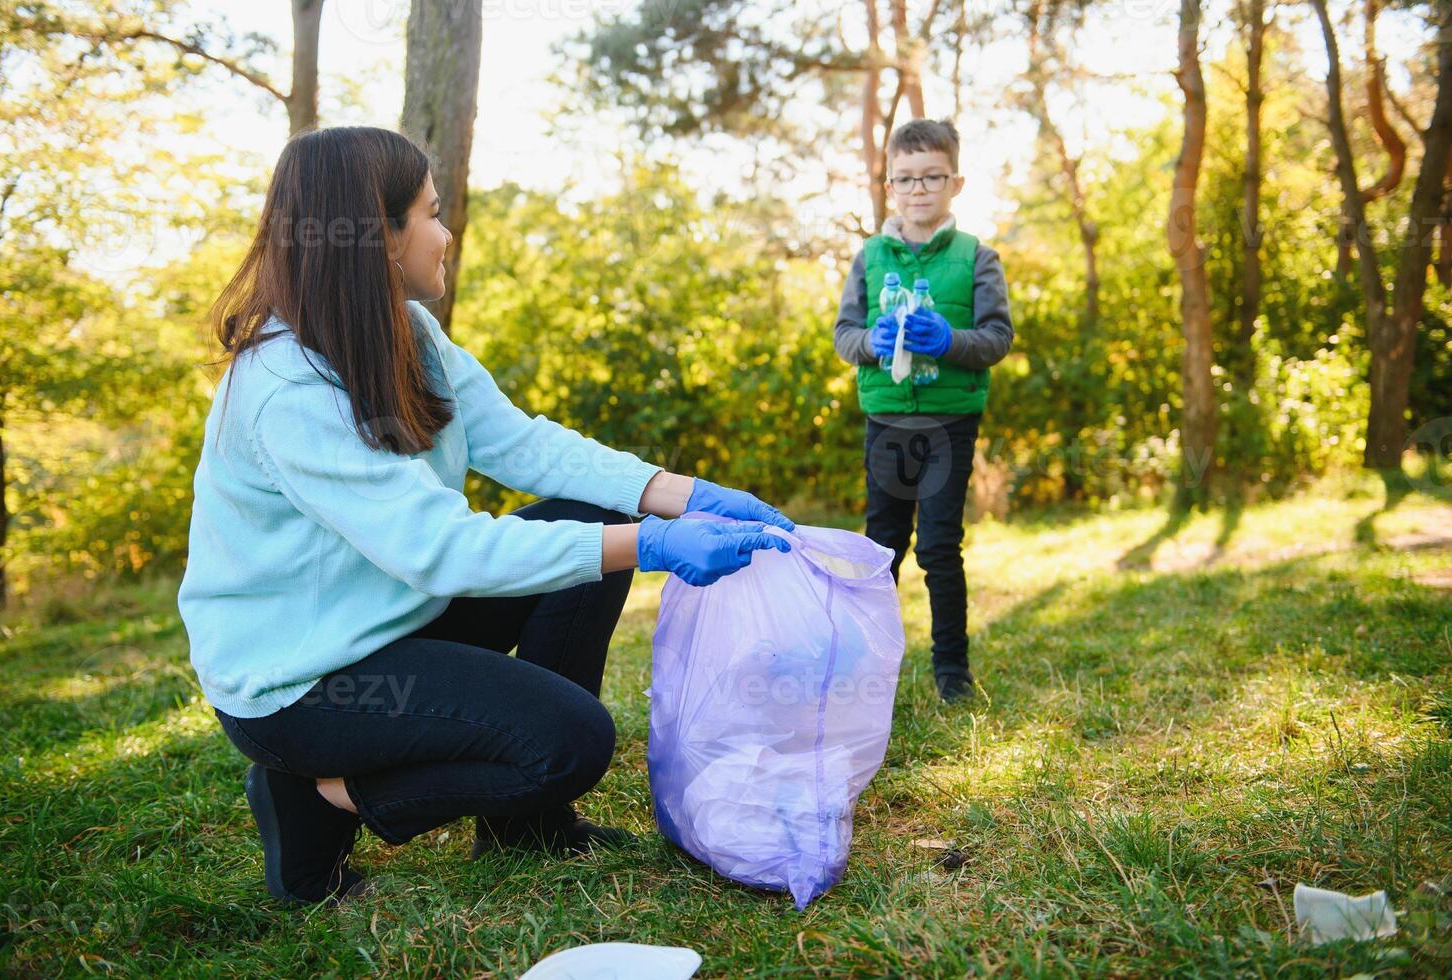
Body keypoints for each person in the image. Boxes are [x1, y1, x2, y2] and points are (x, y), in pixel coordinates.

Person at [178, 126, 795, 904]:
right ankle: (310, 794)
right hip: (304, 682)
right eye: (431, 214)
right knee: (571, 742)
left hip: (385, 621)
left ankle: (526, 829)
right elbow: (438, 549)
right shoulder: (287, 391)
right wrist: (653, 543)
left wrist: (681, 493)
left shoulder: (405, 332)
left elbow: (523, 444)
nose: (446, 233)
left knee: (582, 515)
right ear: (378, 236)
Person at [832, 119, 1015, 703]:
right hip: (886, 418)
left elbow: (997, 337)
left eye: (931, 177)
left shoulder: (976, 258)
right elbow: (844, 334)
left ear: (955, 183)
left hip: (948, 422)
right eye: (905, 179)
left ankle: (952, 672)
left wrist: (950, 341)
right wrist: (871, 345)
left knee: (939, 545)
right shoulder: (870, 256)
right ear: (890, 185)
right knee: (883, 542)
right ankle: (866, 663)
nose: (918, 189)